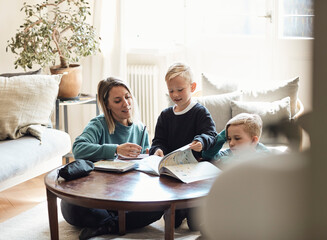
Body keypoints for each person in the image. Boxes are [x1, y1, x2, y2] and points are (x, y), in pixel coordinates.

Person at [60, 77, 163, 240]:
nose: (126, 103)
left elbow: (143, 168)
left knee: (159, 207)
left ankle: (108, 225)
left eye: (127, 97)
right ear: (107, 105)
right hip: (96, 196)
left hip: (125, 196)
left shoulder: (140, 128)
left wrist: (152, 156)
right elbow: (78, 148)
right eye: (117, 100)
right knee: (72, 208)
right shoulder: (98, 124)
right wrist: (115, 150)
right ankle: (116, 223)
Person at [149, 62, 217, 231]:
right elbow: (158, 141)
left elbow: (211, 134)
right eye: (171, 90)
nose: (175, 94)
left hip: (194, 171)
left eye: (180, 89)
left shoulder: (200, 112)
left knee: (195, 225)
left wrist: (201, 141)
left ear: (192, 87)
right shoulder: (165, 116)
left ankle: (195, 211)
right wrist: (157, 150)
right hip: (172, 173)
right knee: (173, 222)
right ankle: (180, 210)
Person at [202, 113, 269, 163]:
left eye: (237, 138)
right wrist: (224, 135)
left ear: (253, 141)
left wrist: (222, 160)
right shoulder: (232, 151)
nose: (231, 143)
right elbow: (208, 155)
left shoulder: (263, 155)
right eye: (229, 138)